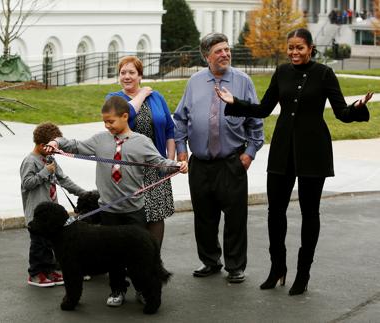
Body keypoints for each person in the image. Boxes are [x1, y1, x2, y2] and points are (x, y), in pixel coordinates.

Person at [215, 28, 372, 295]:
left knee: (310, 214)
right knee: (275, 212)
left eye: (299, 47)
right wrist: (236, 102)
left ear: (311, 48)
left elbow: (341, 113)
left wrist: (357, 107)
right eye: (291, 48)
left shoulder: (324, 73)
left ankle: (303, 273)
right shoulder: (282, 72)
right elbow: (264, 108)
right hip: (282, 149)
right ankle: (278, 268)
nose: (294, 52)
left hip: (314, 150)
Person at [45, 96, 188, 307]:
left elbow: (159, 163)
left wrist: (178, 165)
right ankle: (117, 289)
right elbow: (76, 145)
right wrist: (57, 142)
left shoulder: (142, 142)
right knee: (111, 256)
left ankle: (143, 289)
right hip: (109, 209)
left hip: (134, 210)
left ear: (124, 116)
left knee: (137, 256)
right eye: (104, 122)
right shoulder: (100, 140)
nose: (107, 125)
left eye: (111, 121)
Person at [173, 32, 264, 284]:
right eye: (218, 51)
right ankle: (210, 261)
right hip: (200, 163)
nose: (225, 54)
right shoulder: (194, 82)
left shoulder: (243, 81)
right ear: (206, 57)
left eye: (226, 49)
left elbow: (256, 121)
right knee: (204, 217)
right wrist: (182, 149)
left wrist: (249, 154)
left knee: (235, 218)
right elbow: (180, 118)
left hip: (231, 162)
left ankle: (235, 266)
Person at [106, 55, 176, 249]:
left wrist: (169, 160)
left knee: (156, 215)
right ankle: (130, 264)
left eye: (131, 72)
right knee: (132, 217)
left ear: (140, 75)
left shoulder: (158, 97)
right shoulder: (113, 99)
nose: (127, 76)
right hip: (129, 169)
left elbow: (170, 128)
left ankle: (152, 262)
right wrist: (143, 93)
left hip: (156, 167)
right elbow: (124, 116)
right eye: (123, 72)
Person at [20, 122, 86, 287]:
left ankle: (49, 271)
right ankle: (36, 274)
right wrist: (44, 172)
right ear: (43, 145)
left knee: (49, 243)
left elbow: (64, 180)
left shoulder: (49, 159)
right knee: (38, 245)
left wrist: (84, 194)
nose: (56, 152)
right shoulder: (30, 161)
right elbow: (27, 183)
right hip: (37, 215)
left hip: (50, 215)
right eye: (53, 148)